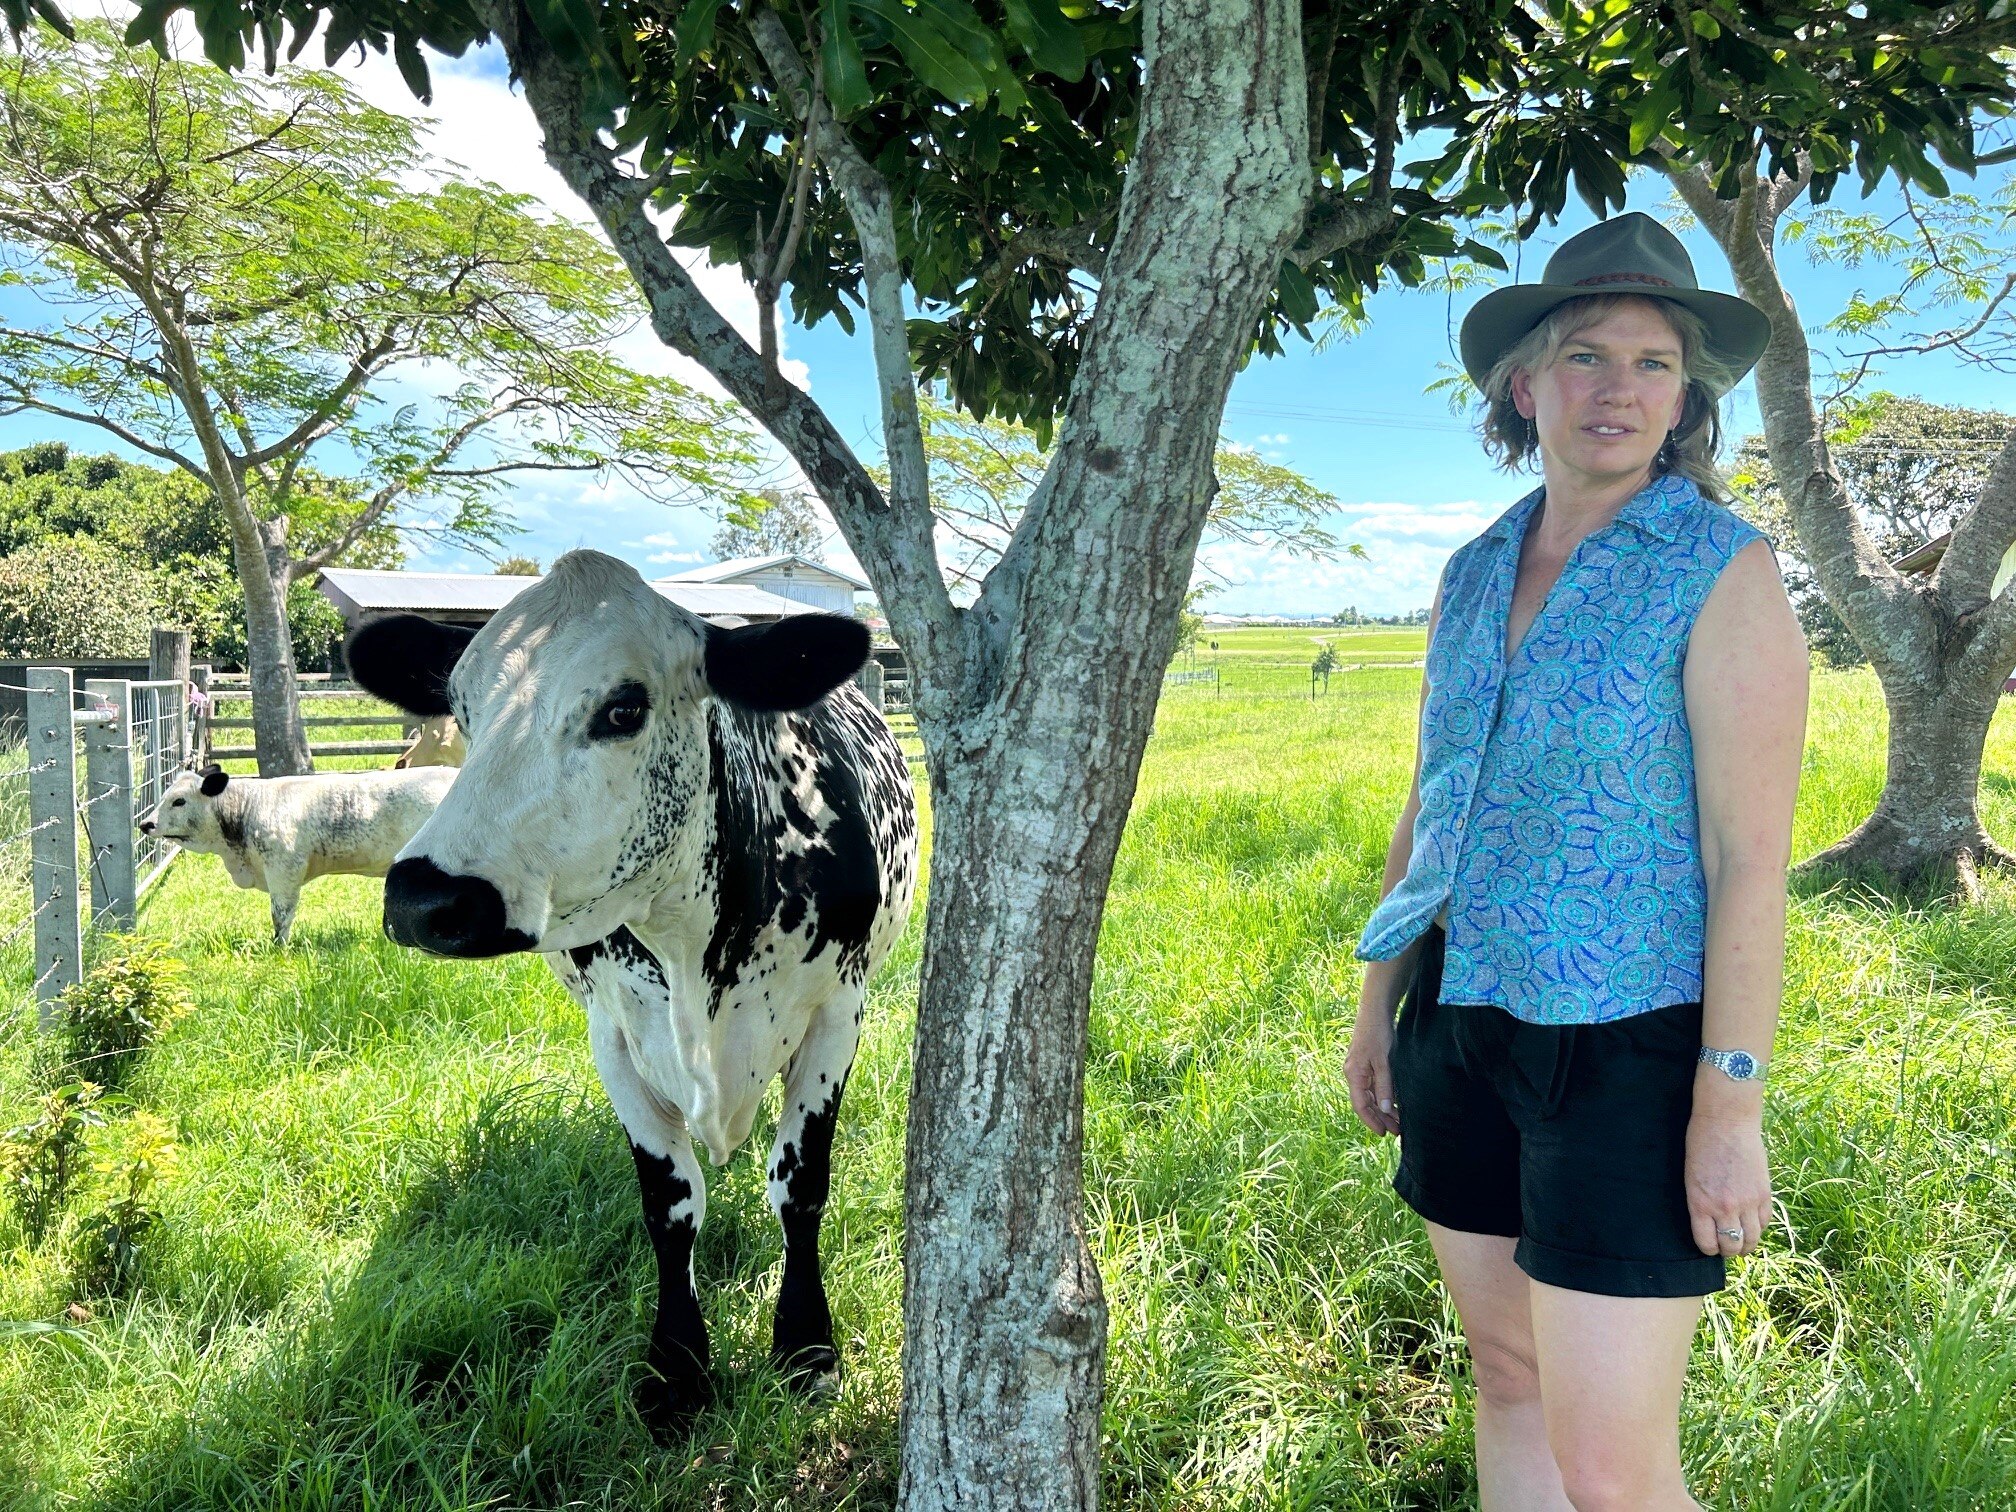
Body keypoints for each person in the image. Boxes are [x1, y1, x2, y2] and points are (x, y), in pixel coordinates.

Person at [1343, 212, 1808, 1511]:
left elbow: (1750, 858)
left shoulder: (1724, 570)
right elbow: (1432, 803)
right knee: (1505, 1375)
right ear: (1523, 383)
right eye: (1587, 354)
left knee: (1614, 1470)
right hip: (1459, 1016)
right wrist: (1381, 1001)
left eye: (1654, 363)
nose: (1619, 387)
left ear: (1685, 399)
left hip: (1629, 1049)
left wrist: (1730, 1107)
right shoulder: (1472, 567)